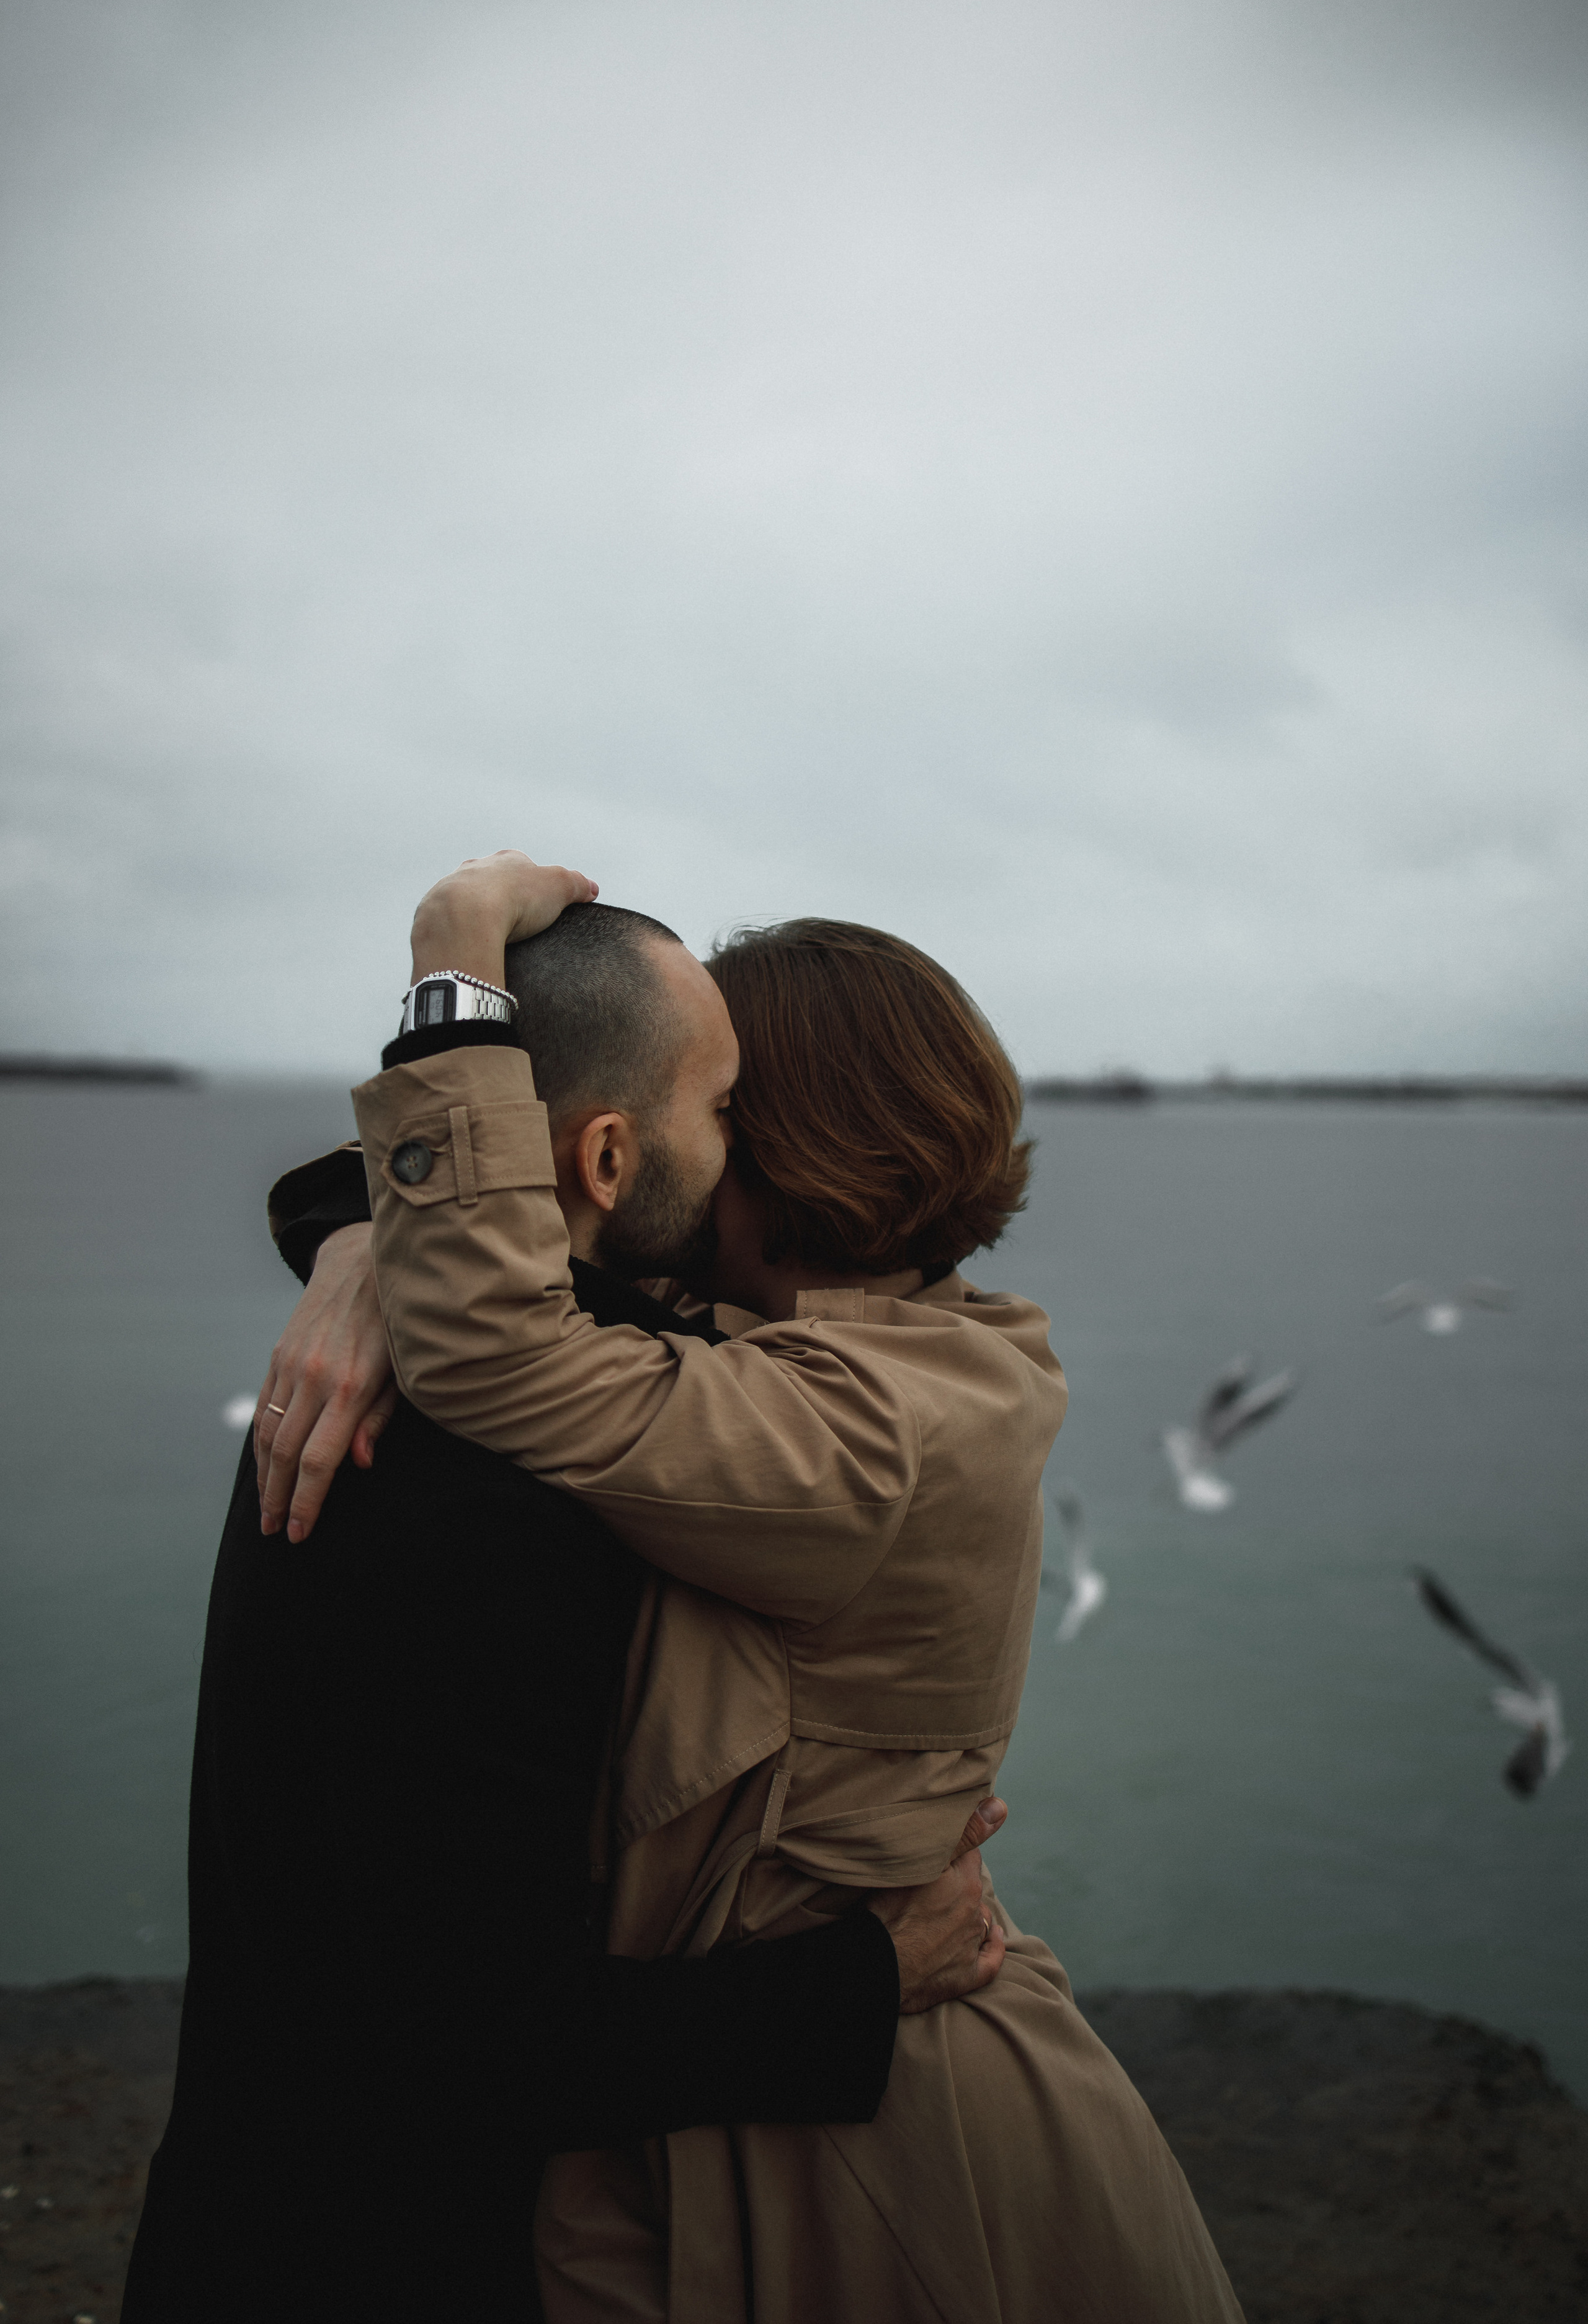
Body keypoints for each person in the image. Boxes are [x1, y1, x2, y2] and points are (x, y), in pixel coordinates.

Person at [265, 850, 1243, 2322]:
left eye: (721, 1104)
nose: (688, 1131)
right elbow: (501, 1201)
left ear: (781, 1147)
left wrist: (453, 957)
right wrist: (357, 1248)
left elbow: (492, 1325)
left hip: (883, 2138)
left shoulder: (852, 1431)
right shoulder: (907, 1340)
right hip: (784, 2083)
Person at [122, 896, 1006, 2324]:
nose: (736, 1161)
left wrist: (367, 1244)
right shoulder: (508, 1480)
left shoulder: (435, 1379)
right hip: (382, 2258)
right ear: (608, 1155)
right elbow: (473, 2042)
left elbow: (476, 1240)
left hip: (258, 2203)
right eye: (727, 1112)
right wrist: (861, 1978)